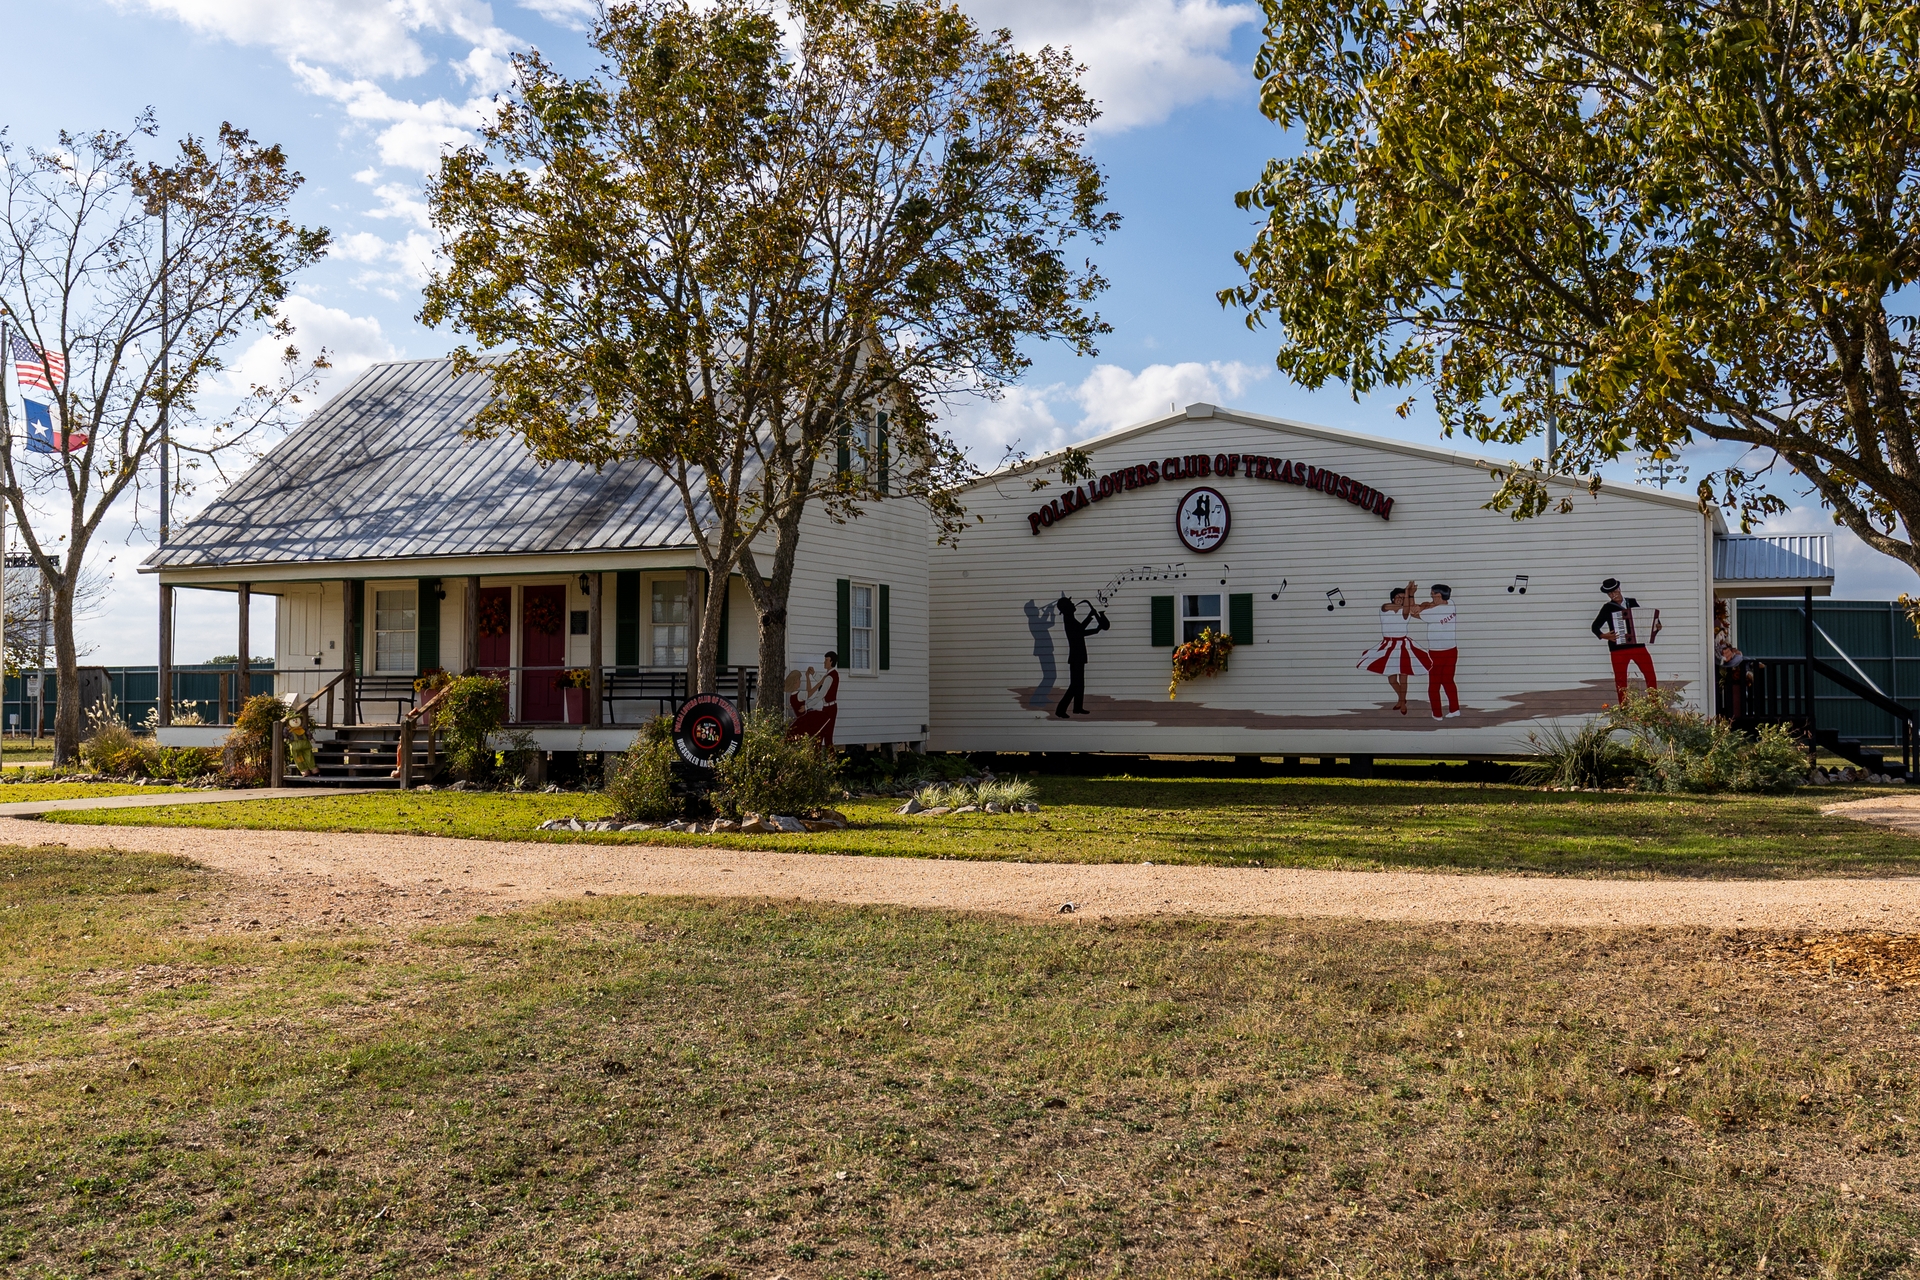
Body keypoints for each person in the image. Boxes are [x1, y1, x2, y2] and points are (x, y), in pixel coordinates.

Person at [1357, 582, 1429, 715]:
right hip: (1388, 646)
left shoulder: (1405, 611)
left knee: (1403, 677)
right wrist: (1407, 595)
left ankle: (1402, 703)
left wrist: (1409, 596)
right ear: (1393, 598)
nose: (1400, 599)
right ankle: (1402, 699)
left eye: (1403, 597)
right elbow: (1389, 606)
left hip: (1403, 645)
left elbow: (1407, 608)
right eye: (1398, 597)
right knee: (1391, 679)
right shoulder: (1385, 607)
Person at [1591, 578, 1661, 704]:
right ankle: (1624, 707)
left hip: (1637, 645)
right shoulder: (1607, 608)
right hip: (1618, 649)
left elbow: (1644, 617)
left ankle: (1654, 703)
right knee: (1621, 679)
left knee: (1650, 673)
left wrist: (1657, 625)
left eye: (1614, 591)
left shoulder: (1632, 602)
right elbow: (1595, 626)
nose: (1613, 594)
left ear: (1619, 588)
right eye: (1610, 593)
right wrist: (1603, 635)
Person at [1054, 595, 1110, 718]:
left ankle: (1077, 707)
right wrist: (1094, 625)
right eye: (1071, 604)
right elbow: (1080, 631)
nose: (1074, 605)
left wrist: (1092, 622)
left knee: (1079, 684)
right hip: (1076, 657)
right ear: (1067, 608)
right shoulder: (1069, 619)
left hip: (1077, 656)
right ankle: (1060, 709)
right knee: (1075, 684)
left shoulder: (1070, 618)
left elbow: (1080, 631)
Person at [1410, 583, 1460, 719]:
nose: (1431, 596)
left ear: (1438, 595)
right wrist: (1425, 605)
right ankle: (1455, 709)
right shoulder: (1450, 603)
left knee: (1434, 685)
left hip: (1437, 653)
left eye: (1432, 594)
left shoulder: (1433, 613)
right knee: (1449, 681)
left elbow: (1413, 612)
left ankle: (1437, 714)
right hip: (1452, 650)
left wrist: (1412, 596)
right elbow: (1429, 604)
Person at [787, 651, 840, 745]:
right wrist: (813, 674)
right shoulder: (830, 675)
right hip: (827, 708)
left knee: (827, 736)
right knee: (821, 735)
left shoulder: (830, 677)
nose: (824, 662)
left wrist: (807, 706)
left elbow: (820, 695)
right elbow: (822, 680)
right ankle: (824, 758)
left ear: (831, 662)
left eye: (826, 660)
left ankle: (830, 758)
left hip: (830, 709)